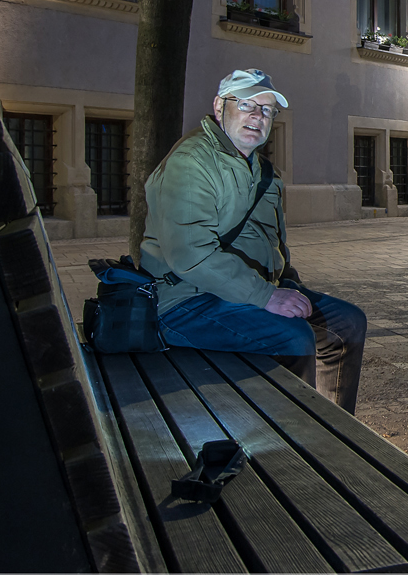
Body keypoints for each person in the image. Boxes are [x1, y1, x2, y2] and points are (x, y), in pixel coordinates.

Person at [141, 69, 367, 413]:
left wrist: (287, 284)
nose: (256, 116)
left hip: (241, 291)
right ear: (220, 107)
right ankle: (292, 437)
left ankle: (334, 425)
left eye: (266, 110)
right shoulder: (191, 162)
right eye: (246, 104)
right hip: (185, 299)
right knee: (293, 338)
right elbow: (190, 255)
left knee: (347, 324)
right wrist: (266, 295)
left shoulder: (262, 171)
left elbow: (271, 241)